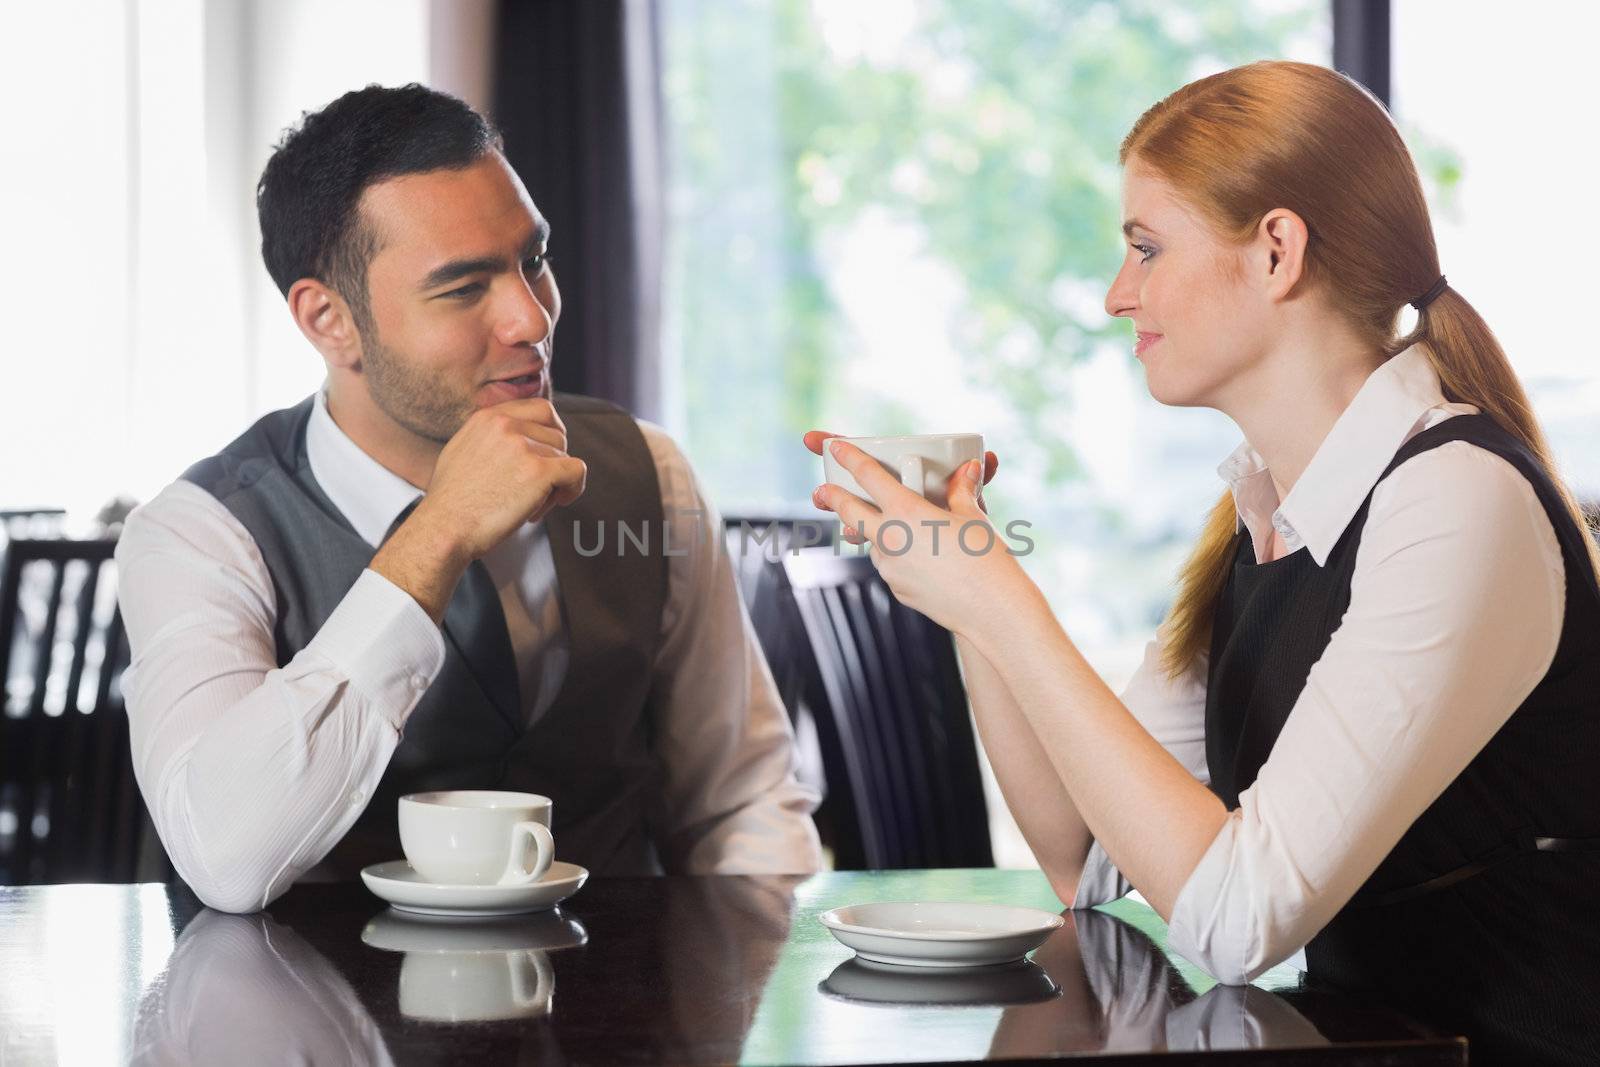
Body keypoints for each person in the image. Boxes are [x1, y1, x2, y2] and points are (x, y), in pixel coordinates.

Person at [809, 60, 1600, 1064]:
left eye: (1145, 247)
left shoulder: (1454, 499)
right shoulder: (1266, 509)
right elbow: (1083, 856)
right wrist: (969, 595)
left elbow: (1234, 923)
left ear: (1275, 252)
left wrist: (1006, 607)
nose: (1114, 294)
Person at [117, 83, 821, 914]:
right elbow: (225, 858)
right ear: (329, 320)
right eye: (462, 287)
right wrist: (437, 532)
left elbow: (740, 800)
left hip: (627, 1014)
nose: (532, 316)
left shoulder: (649, 473)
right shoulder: (198, 534)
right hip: (325, 1022)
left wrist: (748, 1002)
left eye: (535, 259)